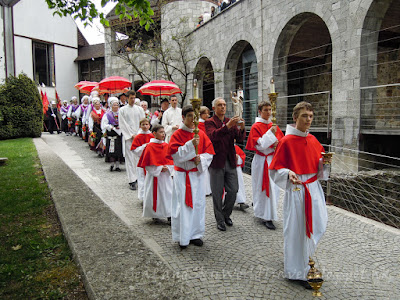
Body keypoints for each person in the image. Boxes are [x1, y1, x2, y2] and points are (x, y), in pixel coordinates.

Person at [269, 101, 331, 289]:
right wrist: (288, 173)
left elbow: (319, 171)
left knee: (319, 223)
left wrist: (325, 163)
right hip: (296, 190)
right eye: (305, 116)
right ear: (295, 118)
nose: (309, 120)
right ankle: (298, 271)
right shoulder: (286, 142)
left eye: (311, 116)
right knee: (297, 230)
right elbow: (275, 170)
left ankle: (304, 260)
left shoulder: (312, 140)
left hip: (313, 188)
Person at [168, 105, 215, 249]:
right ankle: (183, 236)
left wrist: (200, 159)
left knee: (198, 204)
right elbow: (175, 156)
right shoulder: (177, 134)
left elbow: (210, 153)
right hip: (183, 175)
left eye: (194, 117)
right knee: (183, 206)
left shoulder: (201, 133)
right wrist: (190, 145)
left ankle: (195, 234)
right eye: (189, 116)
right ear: (183, 117)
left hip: (197, 175)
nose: (192, 120)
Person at [205, 97, 245, 231]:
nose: (223, 107)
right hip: (216, 161)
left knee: (233, 190)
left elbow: (239, 139)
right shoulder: (209, 122)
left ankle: (226, 213)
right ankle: (220, 219)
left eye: (224, 105)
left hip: (230, 160)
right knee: (217, 193)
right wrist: (227, 127)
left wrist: (242, 128)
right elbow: (213, 137)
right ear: (214, 108)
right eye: (219, 105)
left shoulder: (230, 121)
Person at [245, 100, 284, 230]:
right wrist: (271, 136)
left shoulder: (274, 125)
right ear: (260, 112)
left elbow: (281, 143)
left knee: (274, 189)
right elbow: (259, 145)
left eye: (269, 110)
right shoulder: (256, 126)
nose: (268, 112)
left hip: (272, 160)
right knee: (261, 188)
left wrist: (277, 144)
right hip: (261, 161)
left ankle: (270, 213)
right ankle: (264, 215)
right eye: (265, 110)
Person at [138, 125, 173, 222]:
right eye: (161, 132)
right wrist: (160, 168)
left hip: (166, 177)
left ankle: (169, 215)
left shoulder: (166, 145)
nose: (163, 134)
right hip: (154, 177)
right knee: (156, 196)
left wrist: (169, 168)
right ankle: (155, 214)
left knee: (169, 194)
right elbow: (147, 164)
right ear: (154, 133)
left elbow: (171, 160)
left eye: (164, 132)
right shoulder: (149, 146)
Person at [119, 90, 145, 190]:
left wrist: (138, 133)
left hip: (138, 136)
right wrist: (131, 134)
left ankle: (138, 177)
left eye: (134, 98)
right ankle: (132, 180)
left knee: (138, 158)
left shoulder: (139, 109)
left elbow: (143, 122)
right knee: (130, 158)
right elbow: (123, 124)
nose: (133, 100)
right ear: (127, 98)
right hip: (129, 138)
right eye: (131, 98)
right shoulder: (123, 110)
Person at [131, 118, 153, 202]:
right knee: (142, 179)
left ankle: (150, 197)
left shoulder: (152, 136)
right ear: (140, 126)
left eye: (147, 124)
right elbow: (134, 150)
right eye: (143, 124)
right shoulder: (138, 137)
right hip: (141, 160)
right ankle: (143, 197)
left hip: (150, 160)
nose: (145, 126)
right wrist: (144, 147)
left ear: (149, 125)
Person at [101, 97, 124, 172]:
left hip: (118, 135)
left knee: (118, 150)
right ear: (111, 106)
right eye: (114, 105)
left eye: (117, 105)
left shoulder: (120, 113)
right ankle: (112, 165)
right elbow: (104, 124)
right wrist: (111, 127)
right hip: (111, 134)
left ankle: (117, 166)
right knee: (111, 151)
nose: (116, 107)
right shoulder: (107, 114)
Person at [198, 106, 211, 196]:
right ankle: (205, 189)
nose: (207, 115)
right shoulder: (199, 124)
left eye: (208, 113)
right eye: (205, 113)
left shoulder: (208, 123)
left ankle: (209, 188)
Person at [234, 143, 249, 211]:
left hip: (237, 170)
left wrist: (238, 158)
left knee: (239, 185)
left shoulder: (237, 148)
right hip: (227, 168)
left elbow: (242, 156)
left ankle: (241, 201)